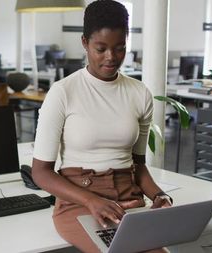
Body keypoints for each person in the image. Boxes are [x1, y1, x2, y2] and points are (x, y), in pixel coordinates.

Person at [31, 1, 172, 252]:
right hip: (78, 201)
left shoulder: (139, 94)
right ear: (85, 43)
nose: (111, 57)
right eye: (101, 48)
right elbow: (41, 172)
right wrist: (91, 200)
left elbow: (138, 166)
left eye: (119, 48)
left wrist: (160, 195)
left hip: (127, 199)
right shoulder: (63, 92)